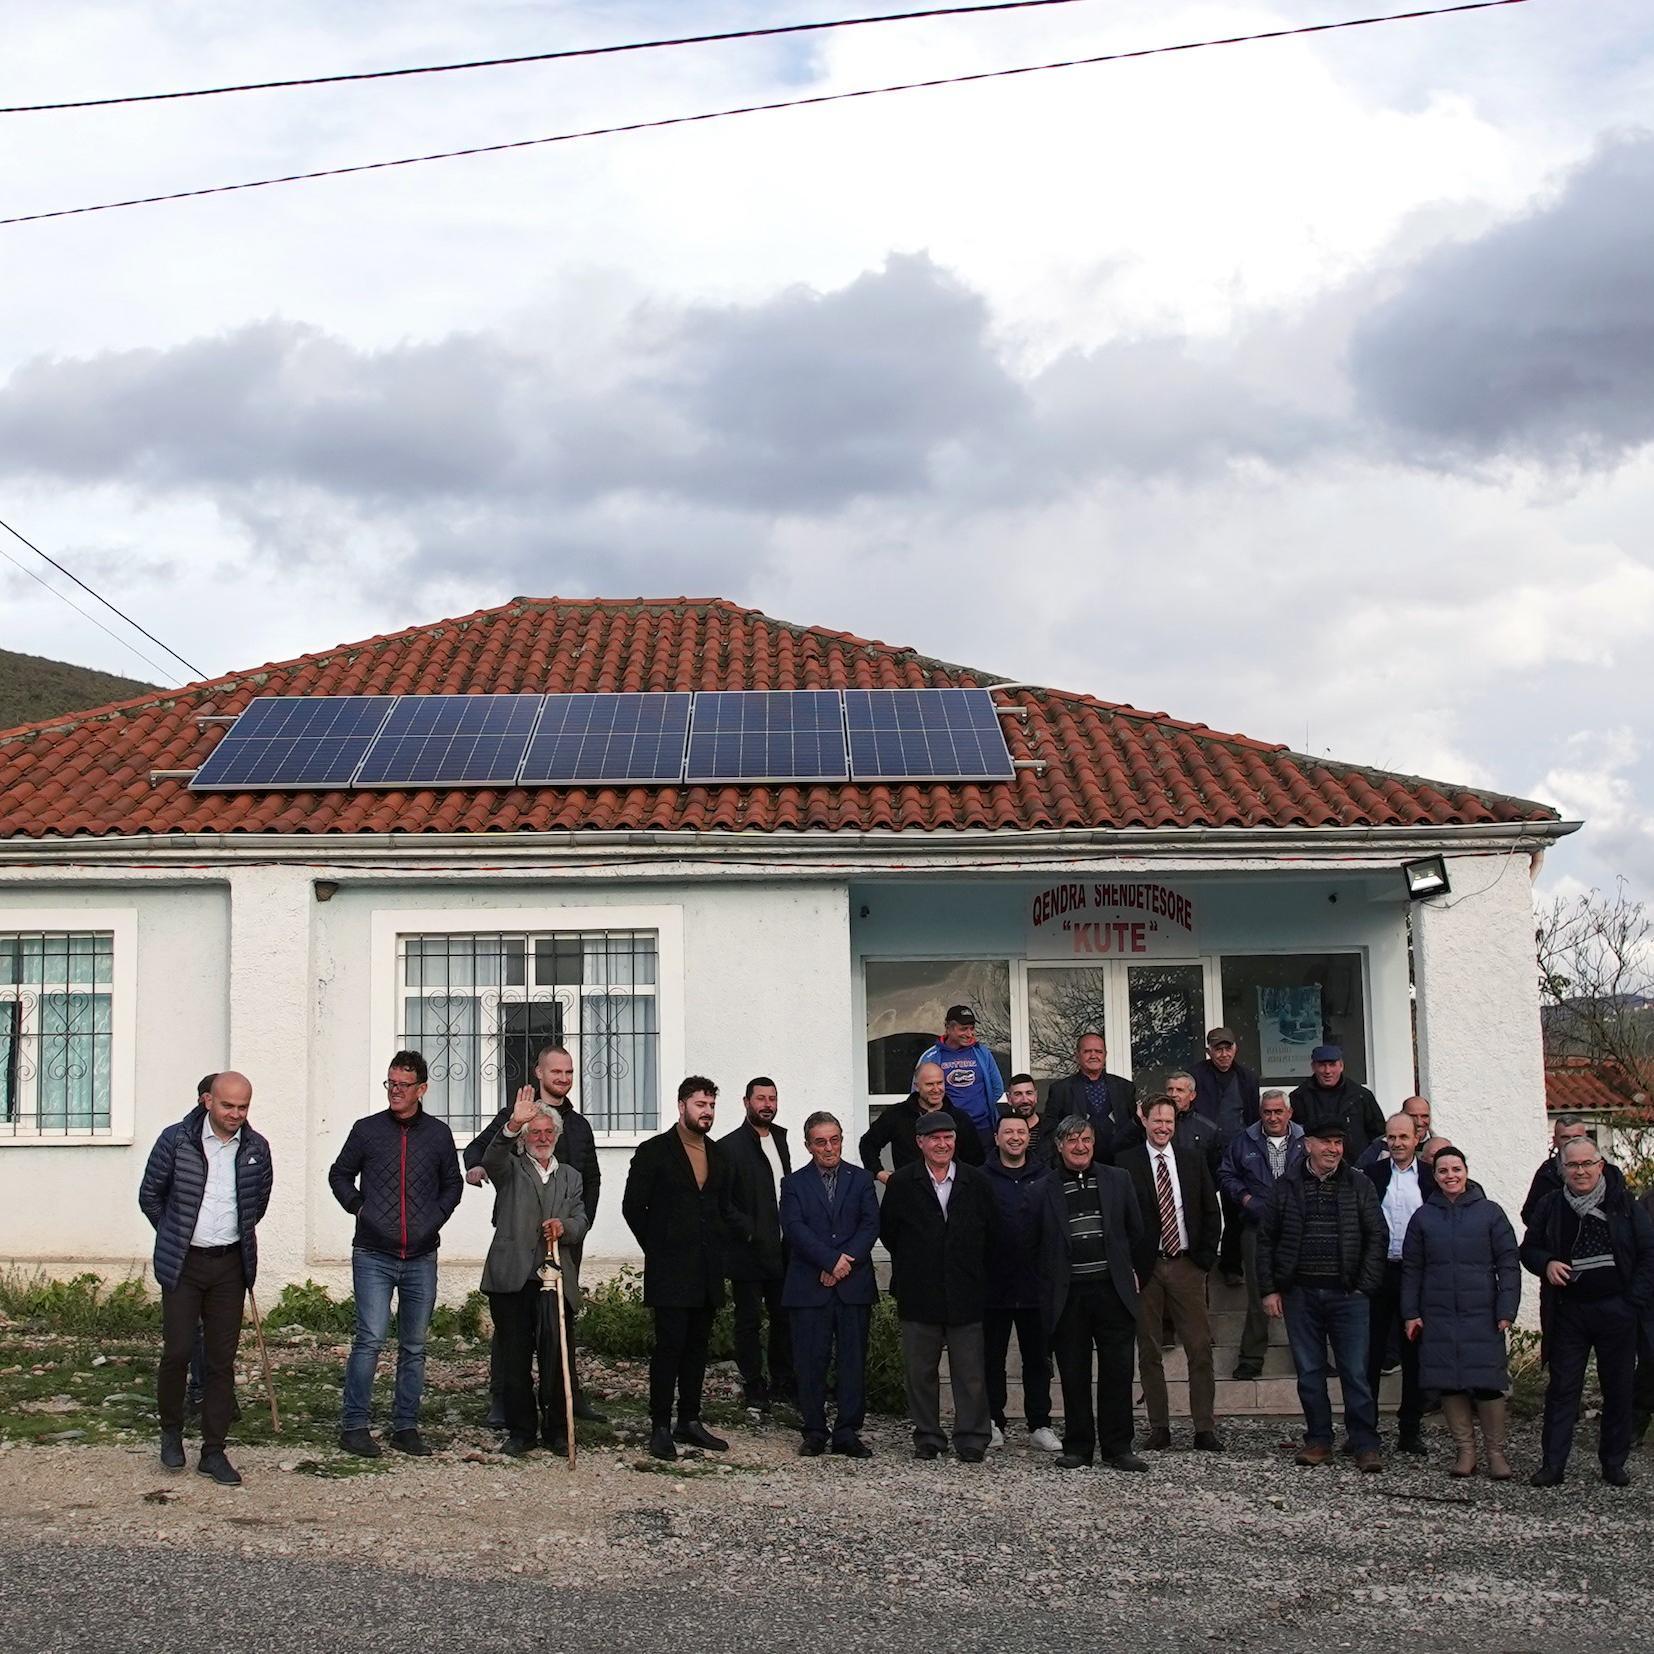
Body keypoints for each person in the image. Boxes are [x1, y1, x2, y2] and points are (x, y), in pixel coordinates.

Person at [138, 1071, 271, 1486]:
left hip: (230, 1264)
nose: (235, 1114)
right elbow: (150, 1195)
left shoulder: (256, 1148)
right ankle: (171, 1432)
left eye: (243, 1107)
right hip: (184, 1262)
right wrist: (176, 1232)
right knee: (177, 1351)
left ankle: (214, 1450)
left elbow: (257, 1202)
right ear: (207, 1101)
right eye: (228, 1105)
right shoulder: (175, 1140)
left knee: (221, 1361)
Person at [328, 1050, 462, 1458]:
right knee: (369, 1339)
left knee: (415, 1345)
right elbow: (339, 1174)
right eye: (390, 1084)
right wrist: (359, 1208)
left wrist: (434, 1219)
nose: (395, 1092)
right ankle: (354, 1426)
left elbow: (452, 1185)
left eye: (404, 1085)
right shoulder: (367, 1131)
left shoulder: (438, 1136)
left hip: (421, 1255)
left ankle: (406, 1426)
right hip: (373, 1252)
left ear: (422, 1089)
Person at [464, 1042, 605, 1426]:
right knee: (513, 1323)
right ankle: (503, 1398)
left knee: (561, 1321)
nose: (563, 1078)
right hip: (518, 1235)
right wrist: (477, 1167)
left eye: (569, 1072)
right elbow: (483, 1151)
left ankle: (567, 1398)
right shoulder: (517, 1114)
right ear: (539, 1073)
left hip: (562, 1238)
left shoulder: (578, 1125)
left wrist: (578, 1227)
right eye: (556, 1071)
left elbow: (590, 1179)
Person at [622, 1076, 744, 1461]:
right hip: (670, 1269)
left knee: (697, 1348)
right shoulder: (654, 1151)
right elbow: (632, 1207)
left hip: (707, 1270)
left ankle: (689, 1420)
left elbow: (723, 1209)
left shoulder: (720, 1155)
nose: (706, 1112)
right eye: (699, 1105)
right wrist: (658, 1249)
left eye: (710, 1106)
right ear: (681, 1106)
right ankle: (660, 1425)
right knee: (669, 1347)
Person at [1521, 1137, 1654, 1487]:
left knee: (1618, 1388)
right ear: (1562, 1169)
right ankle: (1553, 1465)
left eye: (1586, 1164)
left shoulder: (1624, 1203)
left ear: (1600, 1165)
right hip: (1569, 1311)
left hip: (1617, 1310)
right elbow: (1529, 1249)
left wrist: (1632, 1302)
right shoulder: (1551, 1205)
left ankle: (1613, 1462)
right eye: (1572, 1165)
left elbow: (1648, 1254)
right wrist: (1546, 1263)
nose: (1580, 1171)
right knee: (1563, 1390)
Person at [1258, 1118, 1387, 1471]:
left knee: (1355, 1372)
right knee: (1310, 1373)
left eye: (1339, 1143)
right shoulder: (1285, 1187)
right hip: (1301, 1295)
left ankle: (1364, 1443)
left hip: (1349, 1295)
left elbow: (1377, 1235)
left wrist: (1365, 1284)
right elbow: (1266, 1239)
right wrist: (1270, 1289)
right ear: (1307, 1145)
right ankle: (1318, 1440)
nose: (1334, 1149)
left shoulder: (1359, 1184)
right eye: (1326, 1142)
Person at [878, 1110, 994, 1462]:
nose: (942, 1144)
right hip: (919, 1291)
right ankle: (928, 1436)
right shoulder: (901, 1183)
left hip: (965, 1291)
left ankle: (972, 1438)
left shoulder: (976, 1182)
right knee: (920, 1372)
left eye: (947, 1137)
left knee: (971, 1372)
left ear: (955, 1140)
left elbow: (992, 1233)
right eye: (934, 1138)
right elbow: (890, 1233)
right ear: (920, 1143)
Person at [1400, 1146, 1520, 1480]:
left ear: (1466, 1171)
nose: (1450, 1176)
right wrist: (1411, 1312)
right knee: (1448, 1383)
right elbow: (1412, 1269)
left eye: (1456, 1169)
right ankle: (1465, 1453)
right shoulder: (1423, 1217)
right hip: (1437, 1314)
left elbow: (1508, 1263)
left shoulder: (1491, 1213)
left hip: (1482, 1313)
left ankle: (1496, 1453)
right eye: (1442, 1171)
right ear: (1434, 1176)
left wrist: (1506, 1308)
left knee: (1487, 1383)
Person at [1042, 1115, 1153, 1473]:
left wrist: (1136, 1275)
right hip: (1069, 1296)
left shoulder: (1118, 1179)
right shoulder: (1043, 1188)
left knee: (1118, 1373)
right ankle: (1078, 1447)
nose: (1079, 1146)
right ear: (1059, 1145)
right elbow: (1034, 1246)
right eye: (1072, 1140)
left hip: (1112, 1292)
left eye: (1086, 1139)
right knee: (1073, 1374)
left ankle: (1118, 1447)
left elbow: (1139, 1234)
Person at [480, 1096, 588, 1456]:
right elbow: (489, 1159)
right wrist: (511, 1125)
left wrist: (565, 1227)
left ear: (556, 1135)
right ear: (525, 1137)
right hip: (512, 1277)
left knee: (557, 1358)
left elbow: (581, 1221)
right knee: (515, 1359)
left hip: (554, 1279)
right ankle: (521, 1431)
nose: (542, 1138)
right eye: (535, 1132)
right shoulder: (510, 1168)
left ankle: (558, 1430)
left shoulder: (570, 1176)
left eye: (547, 1132)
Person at [1119, 1096, 1223, 1451]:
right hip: (1146, 1269)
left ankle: (1204, 1428)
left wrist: (1203, 1260)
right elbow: (1121, 1221)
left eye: (1169, 1121)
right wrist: (1130, 1266)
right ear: (1144, 1120)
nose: (1163, 1127)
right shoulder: (1126, 1163)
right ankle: (1159, 1427)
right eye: (1157, 1120)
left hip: (1186, 1265)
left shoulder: (1193, 1161)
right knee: (1148, 1350)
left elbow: (1211, 1212)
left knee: (1199, 1348)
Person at [779, 1111, 880, 1459]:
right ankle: (814, 1430)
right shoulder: (793, 1183)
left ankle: (848, 1431)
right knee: (810, 1362)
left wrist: (843, 1263)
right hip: (809, 1286)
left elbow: (870, 1225)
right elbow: (794, 1228)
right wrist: (828, 1261)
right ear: (808, 1145)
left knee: (853, 1361)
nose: (829, 1147)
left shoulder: (862, 1178)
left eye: (834, 1139)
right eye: (820, 1141)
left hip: (852, 1285)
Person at [981, 1112, 1062, 1453]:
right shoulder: (980, 1178)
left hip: (1036, 1287)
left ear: (1028, 1137)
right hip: (992, 1286)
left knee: (1038, 1359)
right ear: (997, 1138)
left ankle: (1040, 1423)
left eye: (1020, 1132)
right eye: (1007, 1132)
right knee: (991, 1359)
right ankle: (993, 1421)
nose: (1014, 1137)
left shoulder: (1047, 1176)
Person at [1360, 1112, 1437, 1456]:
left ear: (1417, 1138)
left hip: (1417, 1274)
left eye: (1403, 1137)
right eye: (1391, 1138)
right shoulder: (1372, 1175)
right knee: (1371, 1354)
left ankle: (1410, 1430)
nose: (1397, 1144)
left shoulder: (1432, 1178)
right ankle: (1365, 1429)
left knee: (1414, 1355)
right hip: (1380, 1272)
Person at [720, 1076, 796, 1412]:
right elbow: (724, 1202)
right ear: (746, 1102)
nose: (767, 1104)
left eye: (772, 1098)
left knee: (785, 1317)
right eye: (760, 1098)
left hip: (783, 1249)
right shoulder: (729, 1146)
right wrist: (750, 1231)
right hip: (748, 1251)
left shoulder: (781, 1138)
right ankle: (753, 1384)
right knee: (749, 1321)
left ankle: (783, 1381)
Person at [1219, 1089, 1304, 1380]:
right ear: (1260, 1112)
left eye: (1278, 1111)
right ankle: (1251, 1358)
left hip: (1298, 1229)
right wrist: (1245, 1199)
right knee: (1257, 1294)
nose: (1273, 1117)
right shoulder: (1244, 1141)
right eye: (1267, 1112)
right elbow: (1226, 1175)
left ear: (1289, 1113)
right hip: (1257, 1226)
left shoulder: (1306, 1141)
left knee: (1300, 1294)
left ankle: (1307, 1355)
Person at [1193, 1029, 1260, 1282]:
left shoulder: (1248, 1078)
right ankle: (1201, 1263)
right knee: (1200, 1210)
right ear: (1209, 1051)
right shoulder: (1196, 1075)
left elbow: (1254, 1117)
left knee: (1236, 1212)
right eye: (1217, 1049)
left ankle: (1232, 1266)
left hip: (1237, 1155)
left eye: (1227, 1048)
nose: (1223, 1054)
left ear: (1235, 1049)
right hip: (1203, 1154)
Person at [858, 1060, 983, 1181]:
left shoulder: (960, 1118)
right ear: (917, 1086)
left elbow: (975, 1160)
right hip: (908, 1193)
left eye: (940, 1083)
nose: (936, 1089)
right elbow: (868, 1144)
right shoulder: (897, 1114)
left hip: (952, 1194)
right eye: (929, 1084)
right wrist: (879, 1173)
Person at [911, 1005, 1005, 1151]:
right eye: (963, 1029)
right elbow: (918, 1094)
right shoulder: (931, 1056)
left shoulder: (982, 1053)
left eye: (972, 1028)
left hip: (983, 1129)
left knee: (982, 1173)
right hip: (946, 1130)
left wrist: (980, 1107)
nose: (969, 1033)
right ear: (948, 1028)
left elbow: (997, 1088)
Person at [1288, 1046, 1386, 1162]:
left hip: (1356, 1168)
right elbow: (1294, 1136)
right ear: (1313, 1067)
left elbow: (1378, 1135)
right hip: (1314, 1169)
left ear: (1341, 1066)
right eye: (1322, 1065)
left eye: (1332, 1065)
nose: (1327, 1071)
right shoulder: (1299, 1097)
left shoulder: (1361, 1096)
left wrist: (1367, 1162)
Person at [1046, 1032, 1136, 1156]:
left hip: (1120, 1162)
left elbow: (1133, 1128)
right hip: (1078, 1161)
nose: (1093, 1055)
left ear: (1105, 1055)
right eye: (1087, 1051)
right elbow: (1051, 1131)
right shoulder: (1060, 1090)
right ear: (1077, 1056)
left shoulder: (1125, 1087)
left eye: (1098, 1051)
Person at [1520, 1115, 1592, 1226]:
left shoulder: (1607, 1172)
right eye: (1565, 1137)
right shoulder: (1546, 1174)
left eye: (1577, 1137)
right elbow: (1529, 1214)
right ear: (1555, 1141)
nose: (1571, 1142)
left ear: (1586, 1138)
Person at [1355, 1096, 1433, 1172]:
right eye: (1413, 1116)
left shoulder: (1437, 1144)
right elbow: (1358, 1174)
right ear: (1401, 1114)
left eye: (1424, 1116)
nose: (1419, 1122)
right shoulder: (1381, 1145)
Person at [998, 1071, 1058, 1166]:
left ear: (1036, 1096)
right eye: (1018, 1094)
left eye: (1029, 1093)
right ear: (1009, 1099)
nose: (1025, 1100)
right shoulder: (1002, 1129)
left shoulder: (1053, 1129)